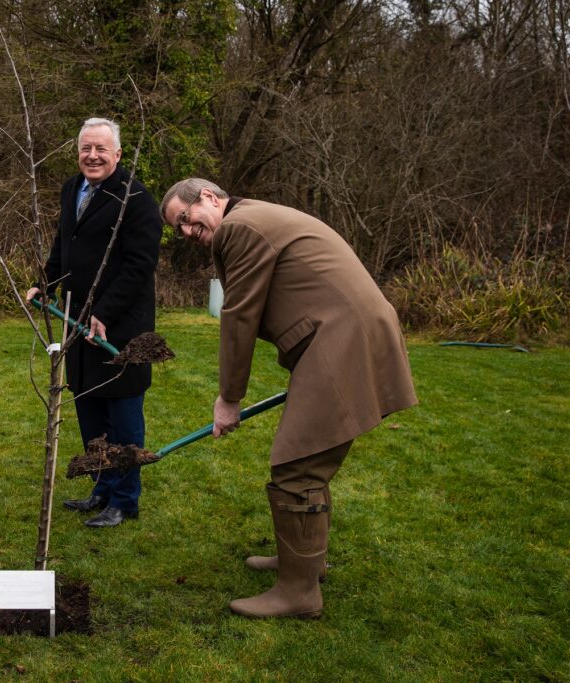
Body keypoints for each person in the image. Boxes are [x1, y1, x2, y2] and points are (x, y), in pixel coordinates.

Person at [160, 178, 417, 618]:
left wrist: (229, 398)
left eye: (185, 219)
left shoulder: (240, 228)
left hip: (342, 339)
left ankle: (298, 592)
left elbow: (239, 314)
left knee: (297, 463)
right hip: (340, 336)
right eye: (177, 229)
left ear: (207, 196)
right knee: (307, 458)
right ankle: (304, 563)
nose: (186, 232)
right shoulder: (254, 216)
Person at [25, 118, 162, 528]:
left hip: (119, 326)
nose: (93, 156)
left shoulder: (135, 198)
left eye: (102, 149)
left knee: (122, 415)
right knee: (89, 410)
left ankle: (124, 499)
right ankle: (101, 488)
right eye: (86, 148)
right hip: (76, 320)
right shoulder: (72, 189)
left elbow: (140, 266)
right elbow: (62, 246)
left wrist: (105, 312)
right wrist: (44, 283)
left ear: (117, 154)